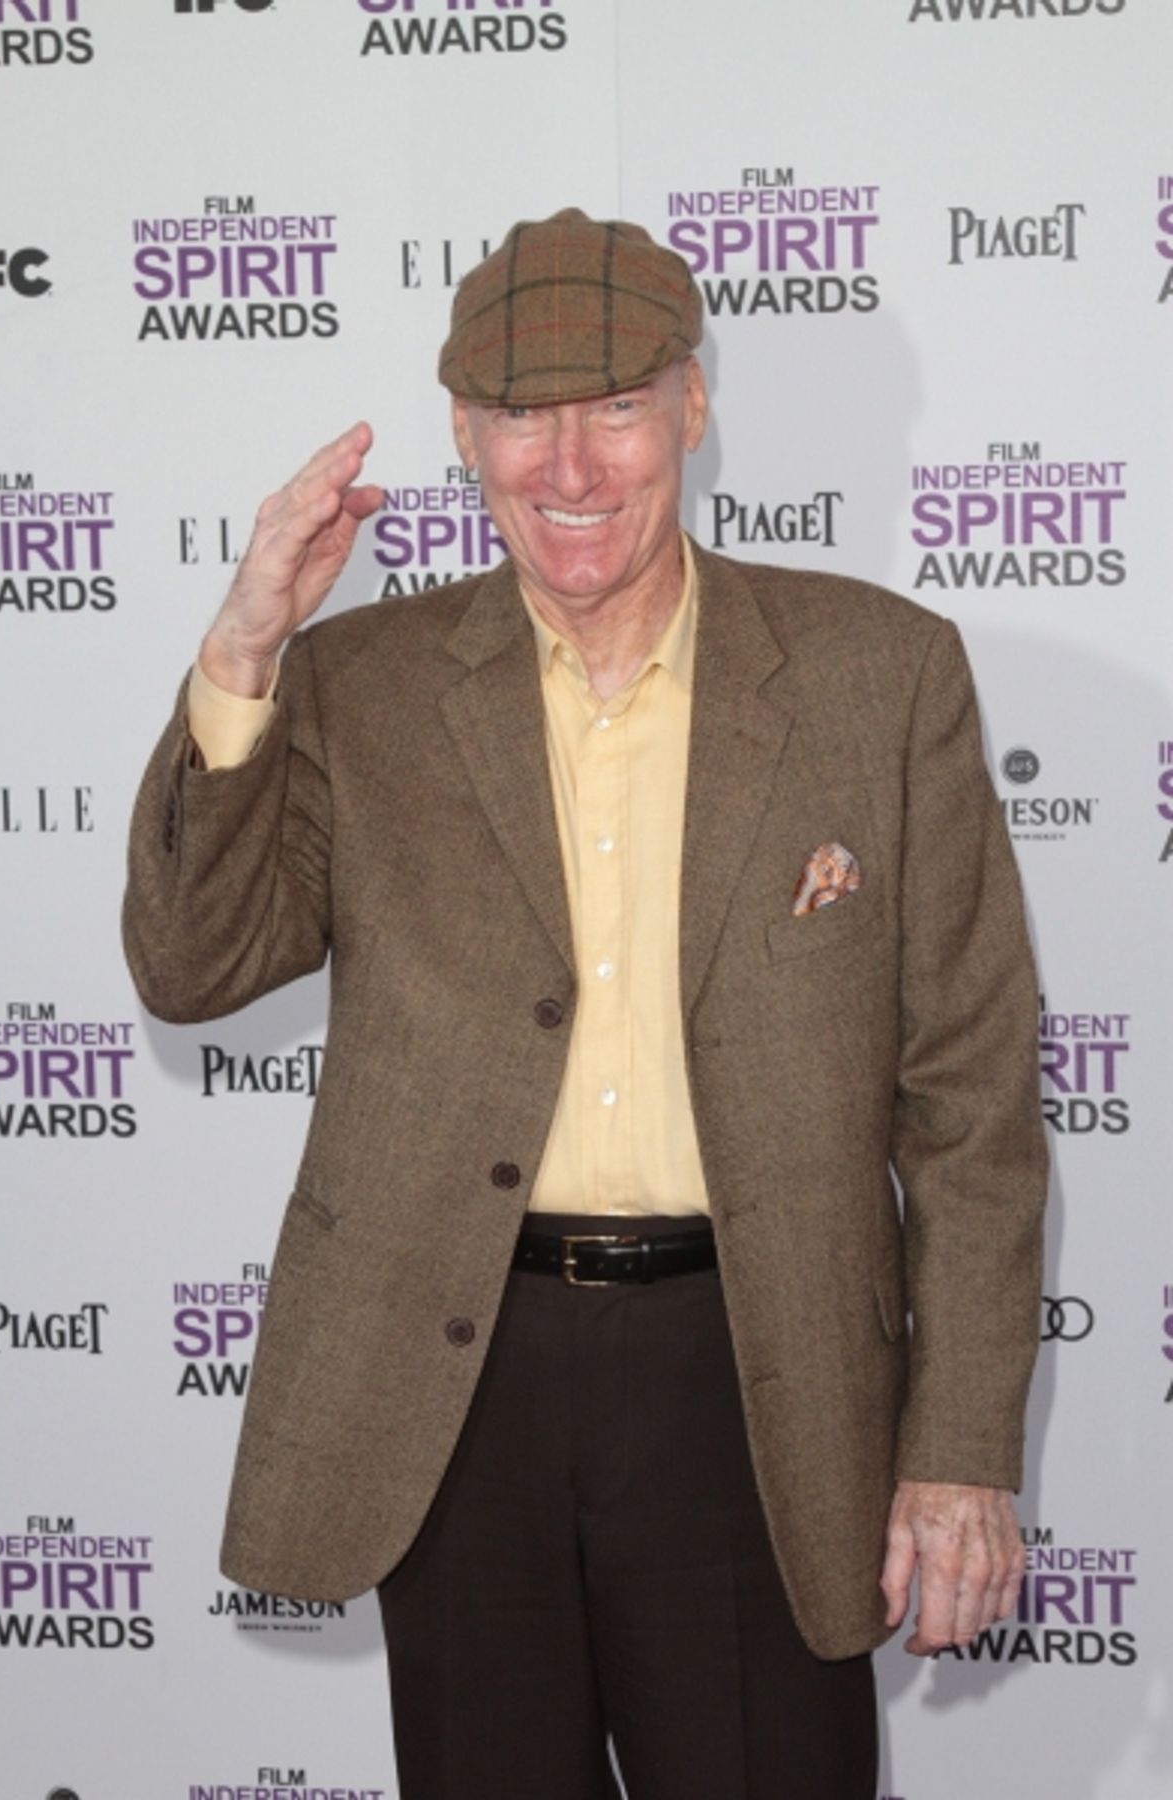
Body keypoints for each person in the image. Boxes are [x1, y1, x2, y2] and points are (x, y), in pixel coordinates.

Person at [123, 208, 1048, 1799]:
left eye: (616, 406)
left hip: (758, 1381)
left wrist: (958, 1447)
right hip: (458, 1377)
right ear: (461, 432)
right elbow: (193, 966)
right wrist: (246, 646)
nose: (569, 466)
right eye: (520, 414)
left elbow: (971, 1105)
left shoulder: (877, 675)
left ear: (692, 405)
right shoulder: (360, 685)